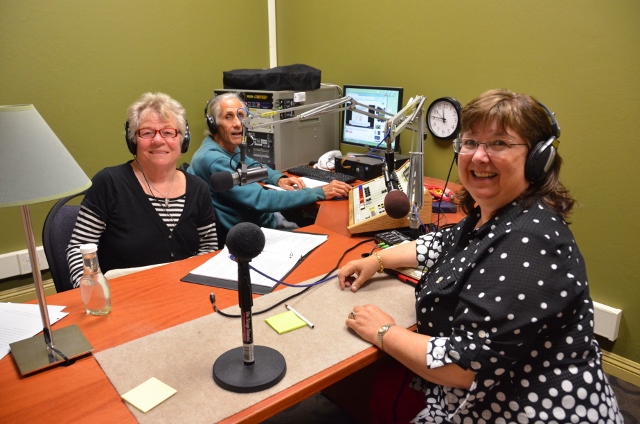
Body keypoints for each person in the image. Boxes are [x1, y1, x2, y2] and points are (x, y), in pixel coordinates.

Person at [337, 89, 622, 423]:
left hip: (528, 409)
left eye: (499, 143)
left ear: (538, 158)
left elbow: (462, 367)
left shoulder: (530, 241)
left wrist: (384, 331)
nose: (479, 156)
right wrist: (378, 260)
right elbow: (441, 244)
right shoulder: (494, 215)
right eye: (470, 142)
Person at [66, 92, 218, 288]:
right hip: (124, 299)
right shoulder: (109, 183)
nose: (157, 140)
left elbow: (208, 247)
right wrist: (93, 293)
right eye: (146, 132)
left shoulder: (198, 188)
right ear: (133, 141)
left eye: (168, 132)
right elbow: (80, 250)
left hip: (184, 295)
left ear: (183, 140)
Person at [187, 92, 352, 239]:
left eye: (241, 116)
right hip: (254, 232)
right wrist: (321, 192)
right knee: (331, 239)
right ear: (213, 124)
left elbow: (254, 166)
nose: (237, 123)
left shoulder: (225, 148)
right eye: (228, 117)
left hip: (261, 220)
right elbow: (262, 199)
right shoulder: (213, 159)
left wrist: (278, 178)